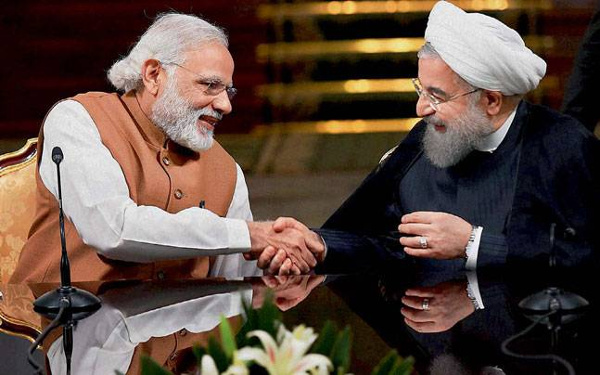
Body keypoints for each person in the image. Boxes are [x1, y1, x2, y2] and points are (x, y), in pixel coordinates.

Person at [263, 1, 600, 272]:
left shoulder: (564, 146)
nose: (421, 108)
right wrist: (318, 245)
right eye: (420, 89)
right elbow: (382, 238)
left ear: (492, 101)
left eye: (437, 96)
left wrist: (473, 244)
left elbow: (583, 254)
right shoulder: (429, 138)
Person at [10, 13, 324, 283]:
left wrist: (276, 273)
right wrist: (253, 234)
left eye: (228, 90)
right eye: (210, 85)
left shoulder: (226, 170)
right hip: (65, 335)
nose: (225, 105)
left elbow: (233, 285)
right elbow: (113, 230)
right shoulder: (78, 119)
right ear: (153, 74)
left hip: (193, 346)